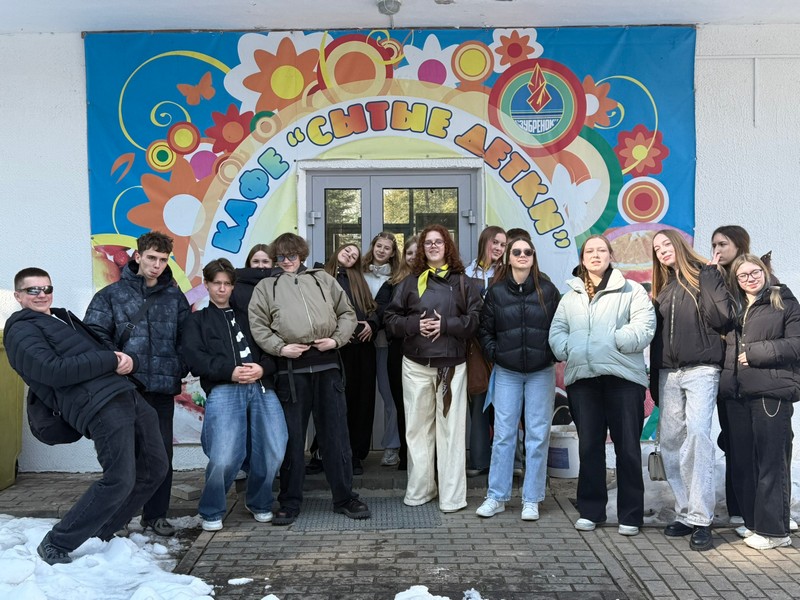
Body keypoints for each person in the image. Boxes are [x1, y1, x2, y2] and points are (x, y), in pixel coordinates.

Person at [4, 268, 168, 564]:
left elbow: (100, 352)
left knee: (155, 467)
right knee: (119, 478)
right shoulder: (20, 330)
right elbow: (52, 370)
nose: (42, 295)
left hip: (125, 393)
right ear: (18, 296)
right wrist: (109, 359)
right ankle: (57, 542)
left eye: (46, 288)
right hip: (98, 404)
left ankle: (101, 532)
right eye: (33, 290)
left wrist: (126, 361)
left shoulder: (59, 318)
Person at [249, 233, 370, 525]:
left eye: (291, 256)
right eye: (281, 257)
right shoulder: (266, 286)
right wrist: (281, 348)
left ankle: (344, 498)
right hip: (291, 373)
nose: (286, 261)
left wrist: (337, 340)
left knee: (336, 436)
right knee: (292, 439)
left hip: (328, 368)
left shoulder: (322, 279)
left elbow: (347, 313)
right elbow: (258, 325)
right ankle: (289, 501)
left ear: (301, 255)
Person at [84, 231, 190, 537]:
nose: (157, 265)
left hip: (162, 390)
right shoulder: (111, 295)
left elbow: (188, 339)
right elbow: (94, 334)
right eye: (151, 258)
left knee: (161, 456)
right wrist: (116, 360)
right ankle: (118, 517)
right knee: (124, 457)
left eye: (163, 260)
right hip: (124, 389)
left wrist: (178, 366)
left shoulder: (175, 298)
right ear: (138, 256)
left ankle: (156, 515)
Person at [549, 235, 655, 535]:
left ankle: (630, 516)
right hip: (584, 381)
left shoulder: (631, 290)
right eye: (590, 251)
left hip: (623, 380)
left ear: (610, 255)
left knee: (628, 449)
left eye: (601, 250)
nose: (595, 255)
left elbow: (645, 327)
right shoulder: (571, 296)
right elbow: (557, 330)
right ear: (582, 259)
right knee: (590, 447)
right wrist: (568, 348)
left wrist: (614, 341)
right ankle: (591, 511)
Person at [181, 259, 287, 531]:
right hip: (225, 388)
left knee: (275, 448)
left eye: (227, 284)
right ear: (206, 285)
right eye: (216, 283)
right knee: (225, 455)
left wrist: (262, 368)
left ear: (232, 287)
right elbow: (195, 359)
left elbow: (272, 350)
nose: (222, 289)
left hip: (262, 386)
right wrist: (230, 372)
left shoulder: (250, 317)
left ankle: (259, 501)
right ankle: (211, 509)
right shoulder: (196, 320)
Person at [385, 225, 482, 513]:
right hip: (415, 364)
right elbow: (390, 320)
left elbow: (476, 319)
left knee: (451, 432)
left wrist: (445, 325)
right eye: (428, 242)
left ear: (447, 246)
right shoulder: (409, 282)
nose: (433, 246)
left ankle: (452, 497)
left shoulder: (463, 282)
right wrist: (415, 325)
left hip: (451, 367)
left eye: (439, 241)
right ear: (422, 249)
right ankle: (421, 490)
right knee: (417, 430)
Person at [650, 229, 734, 551]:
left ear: (679, 244)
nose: (662, 251)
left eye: (666, 244)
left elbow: (722, 317)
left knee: (698, 436)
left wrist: (711, 276)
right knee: (671, 442)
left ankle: (702, 518)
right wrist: (654, 379)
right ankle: (685, 511)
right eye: (657, 249)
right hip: (669, 374)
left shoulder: (705, 275)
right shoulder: (664, 288)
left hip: (701, 369)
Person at [476, 237, 560, 520]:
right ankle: (496, 496)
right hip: (507, 372)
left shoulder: (548, 290)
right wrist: (496, 354)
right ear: (508, 258)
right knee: (503, 435)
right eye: (516, 251)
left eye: (527, 251)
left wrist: (551, 354)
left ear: (533, 256)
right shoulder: (496, 292)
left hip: (541, 372)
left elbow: (559, 327)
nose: (522, 255)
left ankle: (532, 499)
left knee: (537, 436)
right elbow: (484, 330)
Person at [719, 254, 799, 550]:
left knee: (771, 462)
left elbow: (796, 344)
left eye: (755, 272)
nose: (750, 279)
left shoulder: (783, 301)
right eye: (743, 275)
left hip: (770, 391)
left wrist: (754, 353)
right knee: (744, 463)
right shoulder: (735, 307)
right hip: (737, 392)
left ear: (765, 272)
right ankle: (755, 524)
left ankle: (776, 532)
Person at [324, 243, 379, 475]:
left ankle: (355, 455)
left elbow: (373, 308)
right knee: (333, 403)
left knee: (361, 403)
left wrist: (372, 323)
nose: (349, 255)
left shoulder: (359, 280)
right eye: (347, 250)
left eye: (355, 255)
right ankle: (326, 453)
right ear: (337, 251)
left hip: (362, 349)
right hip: (334, 350)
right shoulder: (321, 276)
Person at [710, 225, 751, 526]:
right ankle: (737, 508)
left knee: (757, 444)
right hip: (726, 373)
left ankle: (757, 509)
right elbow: (719, 319)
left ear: (739, 245)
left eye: (722, 244)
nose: (717, 250)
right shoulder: (715, 279)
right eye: (713, 245)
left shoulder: (754, 276)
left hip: (754, 372)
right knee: (733, 442)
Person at [464, 226, 507, 477]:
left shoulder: (507, 272)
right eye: (495, 242)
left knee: (506, 404)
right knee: (479, 397)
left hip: (502, 344)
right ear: (484, 242)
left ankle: (509, 462)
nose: (499, 248)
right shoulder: (466, 273)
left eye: (503, 244)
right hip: (474, 347)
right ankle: (480, 460)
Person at [363, 232, 403, 468]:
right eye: (379, 246)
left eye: (387, 248)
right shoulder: (359, 273)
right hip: (359, 345)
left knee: (389, 398)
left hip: (384, 344)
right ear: (373, 246)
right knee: (360, 397)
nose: (382, 250)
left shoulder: (397, 278)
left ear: (392, 253)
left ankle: (391, 446)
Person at [384, 234, 418, 471]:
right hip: (398, 350)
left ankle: (423, 458)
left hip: (424, 350)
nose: (413, 257)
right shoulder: (393, 283)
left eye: (417, 252)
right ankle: (406, 456)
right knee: (402, 404)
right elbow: (384, 315)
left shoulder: (435, 280)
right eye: (409, 253)